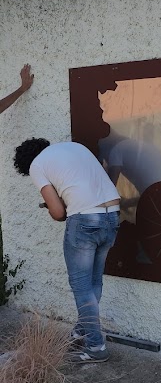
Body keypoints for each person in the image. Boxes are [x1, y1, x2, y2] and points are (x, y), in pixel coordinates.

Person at [13, 138, 120, 362]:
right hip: (112, 215)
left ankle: (95, 346)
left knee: (81, 285)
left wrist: (50, 207)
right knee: (94, 282)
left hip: (85, 220)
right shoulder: (74, 147)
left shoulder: (37, 165)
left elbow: (59, 213)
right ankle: (82, 330)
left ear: (25, 164)